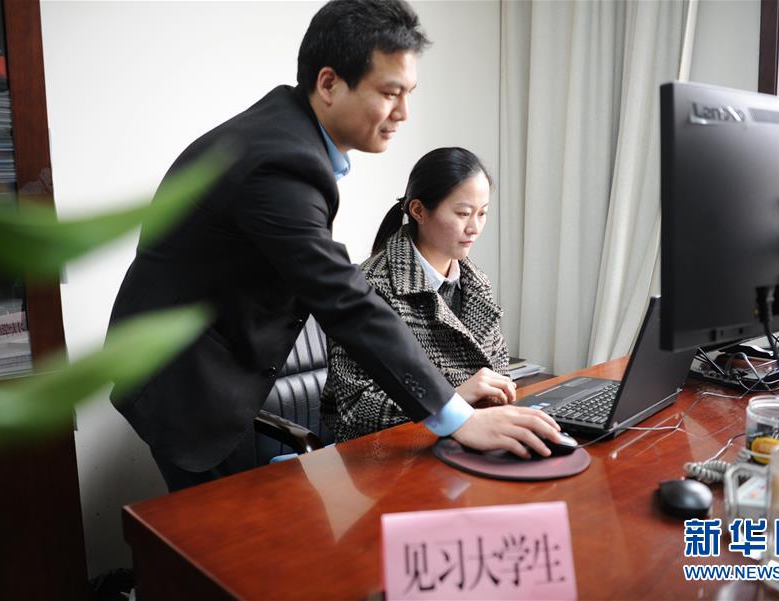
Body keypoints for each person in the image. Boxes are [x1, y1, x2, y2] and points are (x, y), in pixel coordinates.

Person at [108, 0, 563, 492]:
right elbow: (345, 301)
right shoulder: (280, 163)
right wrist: (459, 418)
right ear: (328, 84)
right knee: (216, 534)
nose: (403, 114)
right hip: (184, 382)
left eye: (408, 94)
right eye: (389, 93)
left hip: (214, 369)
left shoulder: (287, 140)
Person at [322, 147, 552, 442]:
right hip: (389, 450)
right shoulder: (370, 286)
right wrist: (451, 400)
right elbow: (355, 407)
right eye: (463, 214)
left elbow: (498, 372)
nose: (475, 228)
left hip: (464, 437)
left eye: (482, 213)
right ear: (418, 211)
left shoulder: (476, 281)